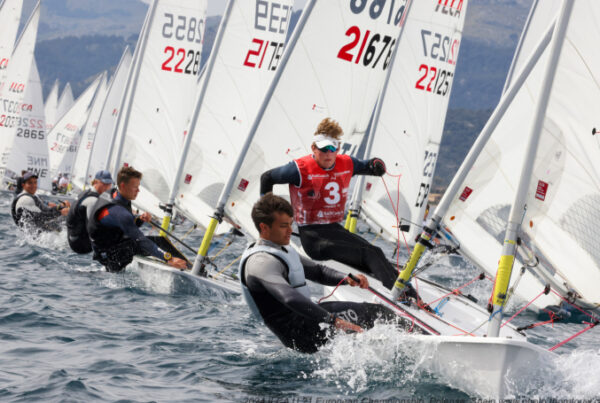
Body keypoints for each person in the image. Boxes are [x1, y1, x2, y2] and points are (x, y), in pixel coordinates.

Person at [240, 193, 410, 354]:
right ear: (264, 227)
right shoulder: (261, 262)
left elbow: (318, 272)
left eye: (291, 224)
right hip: (301, 333)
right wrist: (333, 321)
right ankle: (419, 339)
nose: (290, 230)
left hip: (306, 323)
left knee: (370, 321)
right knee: (377, 313)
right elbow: (289, 297)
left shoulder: (279, 249)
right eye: (284, 226)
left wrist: (347, 279)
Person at [260, 117, 397, 288]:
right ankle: (401, 297)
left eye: (332, 149)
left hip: (334, 230)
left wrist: (377, 165)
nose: (328, 154)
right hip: (314, 238)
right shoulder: (299, 169)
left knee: (376, 253)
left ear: (338, 148)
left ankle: (410, 295)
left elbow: (369, 166)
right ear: (313, 148)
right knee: (370, 253)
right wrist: (267, 216)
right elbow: (267, 178)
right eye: (323, 149)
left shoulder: (346, 163)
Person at [87, 166, 187, 272]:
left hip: (106, 251)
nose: (138, 190)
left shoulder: (113, 194)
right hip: (112, 257)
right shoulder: (119, 212)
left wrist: (139, 219)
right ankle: (183, 267)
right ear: (123, 186)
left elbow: (118, 224)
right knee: (157, 242)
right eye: (135, 187)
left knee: (152, 243)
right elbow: (140, 239)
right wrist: (169, 259)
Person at [66, 170, 114, 254]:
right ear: (95, 182)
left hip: (73, 238)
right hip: (80, 245)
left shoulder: (86, 192)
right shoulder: (92, 201)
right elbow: (93, 228)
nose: (107, 187)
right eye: (104, 184)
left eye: (109, 184)